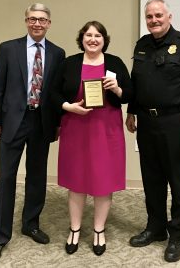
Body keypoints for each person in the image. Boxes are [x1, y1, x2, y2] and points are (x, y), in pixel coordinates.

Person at [126, 0, 180, 263]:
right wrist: (131, 110)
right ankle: (156, 227)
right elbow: (136, 81)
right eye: (149, 16)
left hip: (178, 123)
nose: (154, 20)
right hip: (147, 123)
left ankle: (177, 235)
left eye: (158, 15)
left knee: (179, 181)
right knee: (152, 179)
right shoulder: (142, 44)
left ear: (169, 16)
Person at [0, 3, 65, 265]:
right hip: (12, 122)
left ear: (49, 23)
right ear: (26, 21)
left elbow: (56, 94)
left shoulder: (58, 53)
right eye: (33, 19)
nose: (37, 24)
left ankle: (30, 224)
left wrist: (57, 124)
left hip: (41, 123)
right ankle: (0, 235)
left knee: (37, 175)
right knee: (7, 177)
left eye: (42, 19)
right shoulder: (8, 48)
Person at [51, 21, 132, 256]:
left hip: (106, 131)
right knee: (76, 180)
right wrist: (67, 106)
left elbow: (130, 94)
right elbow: (53, 93)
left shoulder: (114, 63)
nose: (93, 39)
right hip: (76, 127)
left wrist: (117, 89)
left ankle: (99, 230)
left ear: (104, 39)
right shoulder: (70, 63)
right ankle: (74, 229)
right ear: (82, 38)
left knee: (103, 181)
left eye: (98, 35)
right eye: (88, 35)